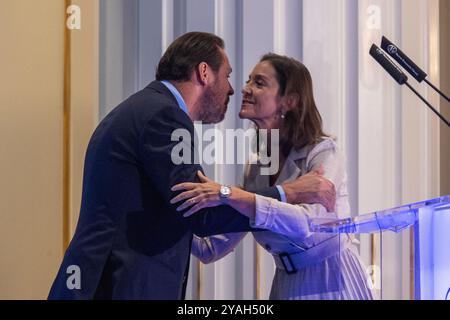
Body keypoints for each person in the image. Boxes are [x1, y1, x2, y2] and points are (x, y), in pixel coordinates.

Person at [48, 33, 335, 300]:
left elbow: (193, 215)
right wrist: (289, 193)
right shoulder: (164, 115)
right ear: (204, 73)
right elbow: (201, 216)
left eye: (257, 82)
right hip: (120, 284)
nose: (235, 89)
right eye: (230, 76)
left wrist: (231, 196)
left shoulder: (149, 108)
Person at [172, 53, 374, 300]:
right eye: (248, 80)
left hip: (333, 279)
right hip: (287, 285)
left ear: (289, 101)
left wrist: (228, 194)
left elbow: (306, 226)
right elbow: (210, 248)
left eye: (258, 83)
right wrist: (164, 217)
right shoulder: (256, 168)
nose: (244, 89)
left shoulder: (324, 153)